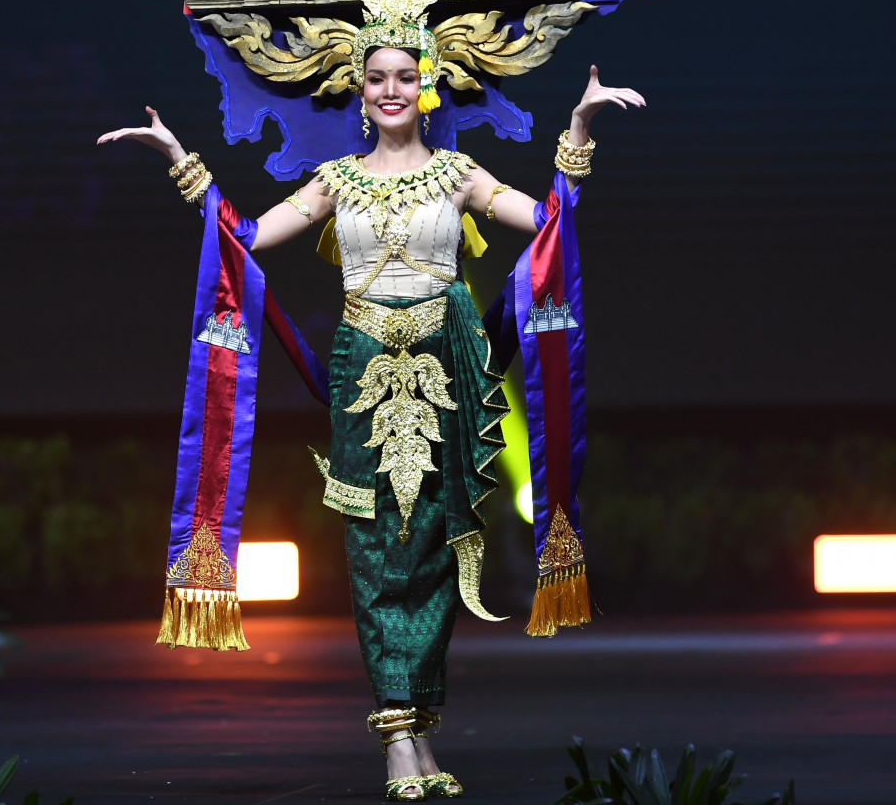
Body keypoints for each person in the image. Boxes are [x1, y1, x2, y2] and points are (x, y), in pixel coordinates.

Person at [98, 49, 642, 800]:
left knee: (440, 544)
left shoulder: (457, 173)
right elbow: (246, 238)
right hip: (364, 378)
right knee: (377, 544)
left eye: (406, 77)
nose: (392, 90)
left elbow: (549, 223)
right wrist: (180, 160)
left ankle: (420, 724)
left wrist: (579, 124)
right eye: (378, 78)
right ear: (361, 92)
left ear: (425, 90)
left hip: (445, 368)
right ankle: (395, 734)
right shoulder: (335, 181)